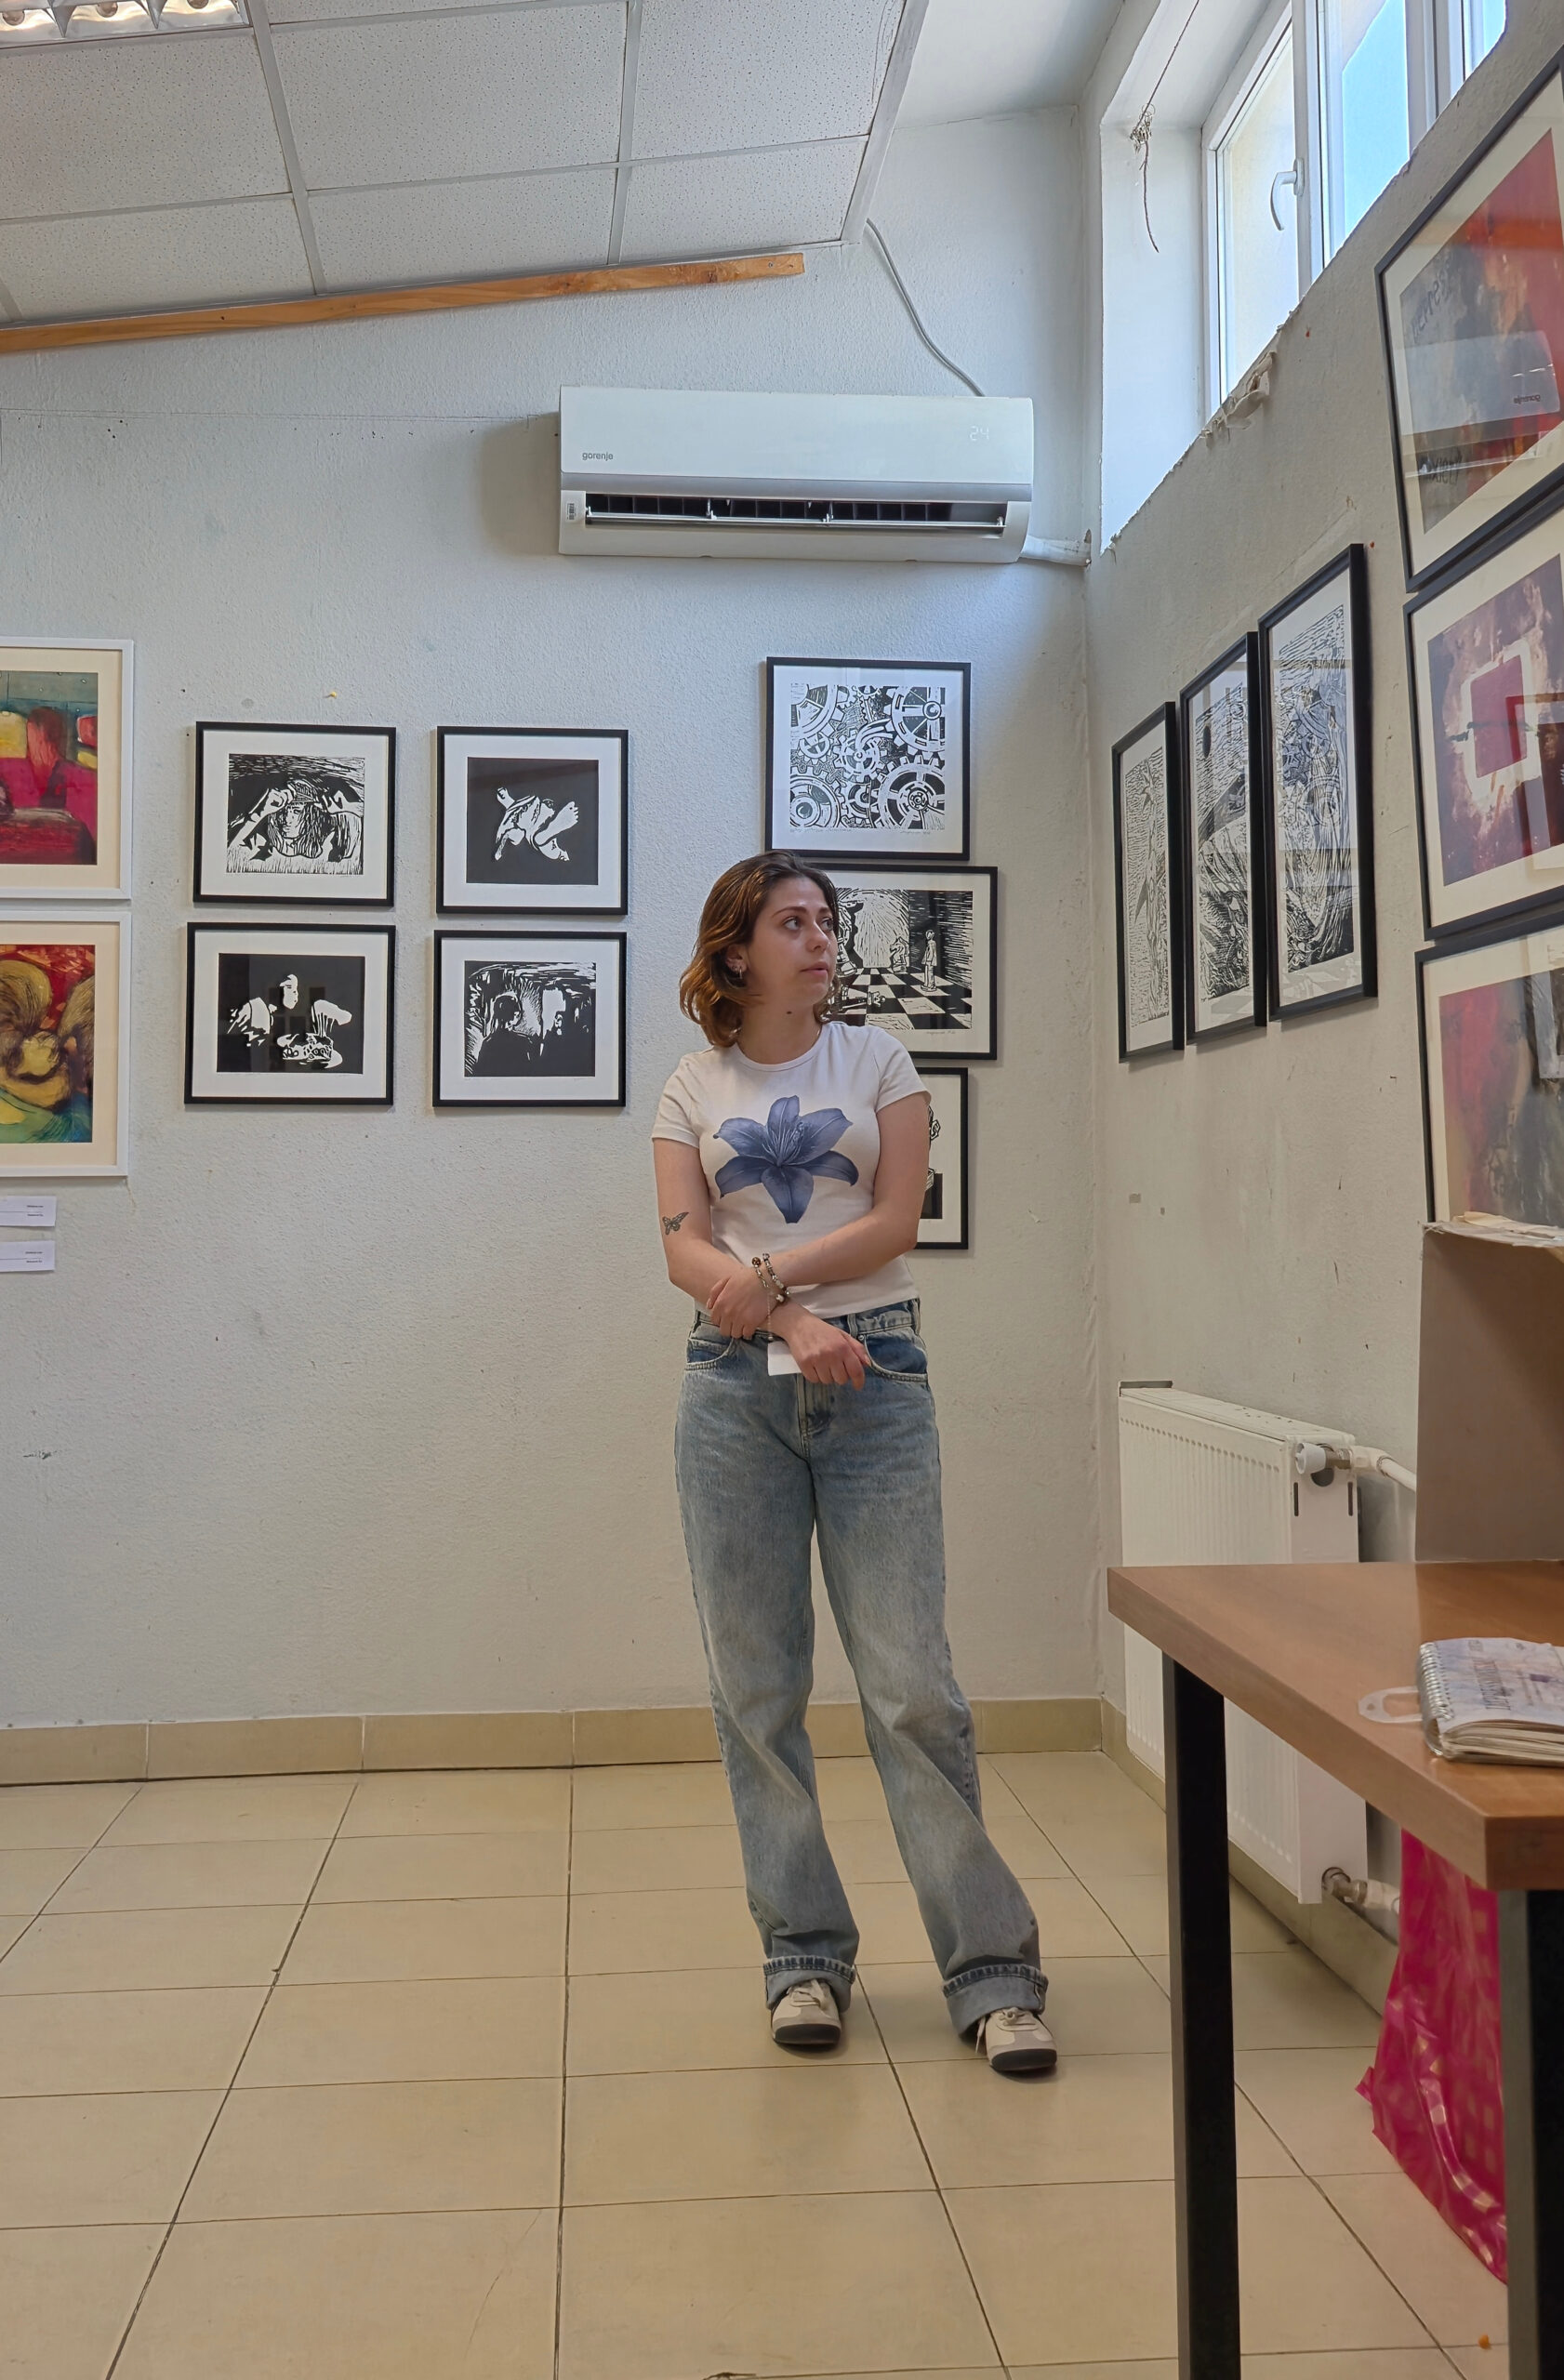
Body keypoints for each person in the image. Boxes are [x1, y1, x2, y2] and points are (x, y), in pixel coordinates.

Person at [652, 852, 1054, 2076]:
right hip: (733, 1390)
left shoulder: (877, 1062)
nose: (822, 938)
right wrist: (784, 1319)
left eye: (827, 920)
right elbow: (681, 1251)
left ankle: (991, 1976)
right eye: (794, 922)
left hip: (876, 1376)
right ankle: (803, 1960)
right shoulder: (690, 1085)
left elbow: (892, 1220)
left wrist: (773, 1277)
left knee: (912, 1690)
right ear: (736, 949)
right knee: (756, 1694)